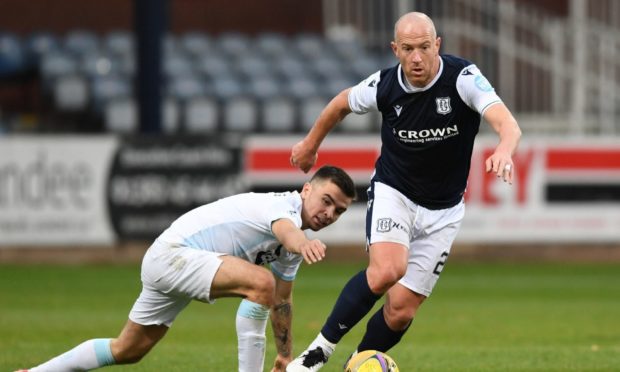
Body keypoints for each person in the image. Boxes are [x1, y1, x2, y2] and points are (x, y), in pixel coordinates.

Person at [286, 11, 522, 371]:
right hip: (395, 193)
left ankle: (357, 364)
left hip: (444, 210)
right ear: (395, 49)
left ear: (437, 45)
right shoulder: (384, 86)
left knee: (400, 312)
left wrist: (503, 148)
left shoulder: (463, 79)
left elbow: (508, 124)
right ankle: (317, 353)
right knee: (385, 271)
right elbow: (340, 104)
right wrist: (309, 145)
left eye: (425, 47)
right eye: (408, 49)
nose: (417, 58)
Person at [17, 165, 357, 372]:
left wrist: (284, 356)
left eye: (339, 211)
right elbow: (286, 233)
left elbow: (282, 301)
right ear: (307, 189)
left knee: (127, 350)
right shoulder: (282, 208)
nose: (329, 213)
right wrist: (303, 243)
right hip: (173, 254)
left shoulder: (294, 245)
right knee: (260, 282)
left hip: (177, 263)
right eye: (326, 201)